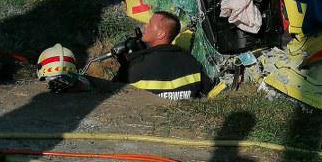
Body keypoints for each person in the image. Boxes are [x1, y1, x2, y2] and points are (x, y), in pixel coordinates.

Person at [49, 11, 212, 100]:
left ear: (161, 33)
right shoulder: (190, 61)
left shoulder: (136, 66)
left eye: (150, 24)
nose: (145, 26)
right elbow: (207, 89)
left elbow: (111, 92)